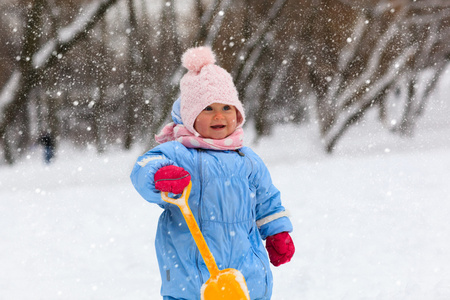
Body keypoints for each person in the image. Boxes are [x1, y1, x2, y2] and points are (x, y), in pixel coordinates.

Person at [130, 46, 295, 300]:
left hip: (246, 273)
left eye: (227, 108)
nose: (219, 115)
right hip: (192, 273)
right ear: (190, 116)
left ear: (237, 113)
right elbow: (143, 168)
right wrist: (159, 175)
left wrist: (277, 231)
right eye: (208, 109)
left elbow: (267, 200)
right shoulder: (180, 153)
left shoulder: (247, 159)